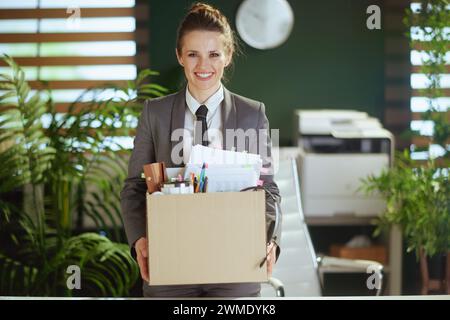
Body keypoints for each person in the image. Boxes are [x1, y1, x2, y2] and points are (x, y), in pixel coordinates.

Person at [120, 2, 281, 298]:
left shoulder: (252, 115)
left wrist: (270, 241)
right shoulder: (154, 113)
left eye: (214, 54)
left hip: (235, 261)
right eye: (193, 54)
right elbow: (133, 187)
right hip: (170, 259)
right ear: (180, 56)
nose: (203, 65)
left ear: (228, 56)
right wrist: (140, 239)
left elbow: (268, 189)